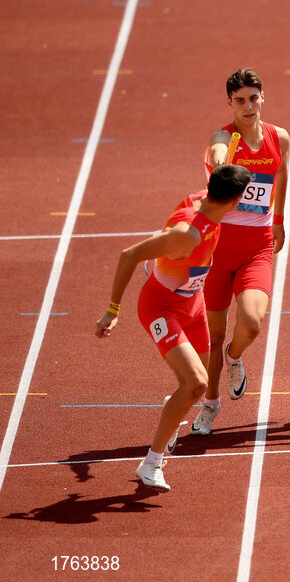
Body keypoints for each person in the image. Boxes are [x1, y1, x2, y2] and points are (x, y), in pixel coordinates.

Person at [95, 165, 251, 492]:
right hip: (161, 308)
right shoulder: (186, 234)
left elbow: (218, 157)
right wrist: (112, 310)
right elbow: (129, 255)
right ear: (235, 201)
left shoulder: (202, 199)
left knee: (199, 379)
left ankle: (176, 404)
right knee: (195, 384)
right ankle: (150, 463)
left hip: (192, 303)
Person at [189, 68, 290, 436]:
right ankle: (209, 406)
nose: (248, 106)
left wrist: (279, 221)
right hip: (217, 250)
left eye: (253, 98)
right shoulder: (223, 138)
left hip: (257, 246)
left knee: (251, 322)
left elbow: (280, 177)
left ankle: (235, 357)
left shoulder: (278, 137)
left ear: (263, 97)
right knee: (211, 338)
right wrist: (222, 162)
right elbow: (217, 154)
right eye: (239, 100)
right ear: (230, 103)